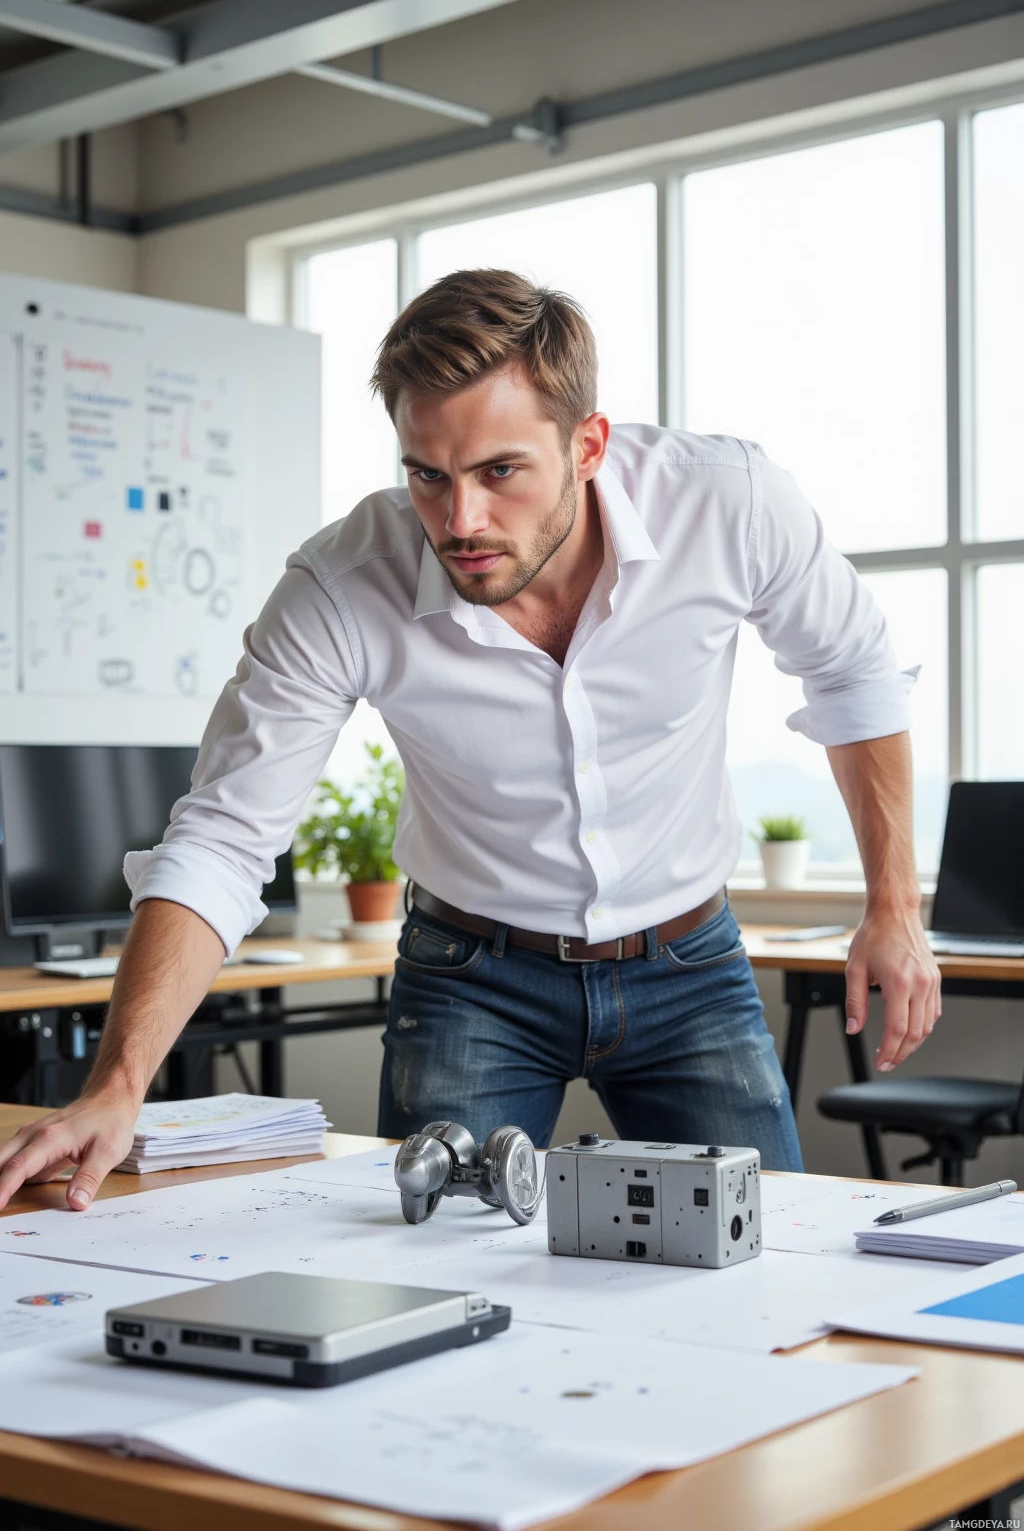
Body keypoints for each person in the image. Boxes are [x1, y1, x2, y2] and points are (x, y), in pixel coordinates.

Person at [0, 270, 941, 1211]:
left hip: (689, 962)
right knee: (433, 1282)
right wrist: (115, 1088)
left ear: (587, 445)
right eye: (427, 474)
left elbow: (853, 671)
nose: (460, 522)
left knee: (763, 1254)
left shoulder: (728, 503)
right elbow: (221, 839)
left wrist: (893, 907)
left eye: (499, 472)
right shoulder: (341, 589)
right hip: (472, 980)